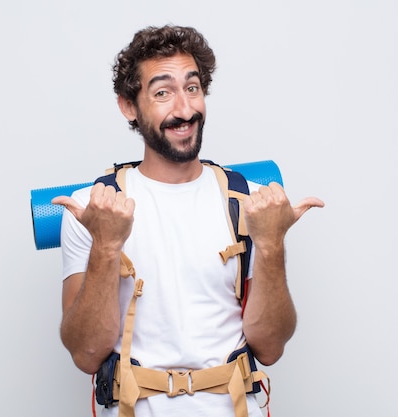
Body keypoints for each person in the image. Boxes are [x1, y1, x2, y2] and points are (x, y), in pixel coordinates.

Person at [52, 25, 324, 417]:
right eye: (162, 92)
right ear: (129, 106)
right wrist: (107, 245)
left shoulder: (245, 201)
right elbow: (86, 353)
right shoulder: (93, 209)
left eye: (192, 88)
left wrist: (271, 244)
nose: (184, 109)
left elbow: (271, 346)